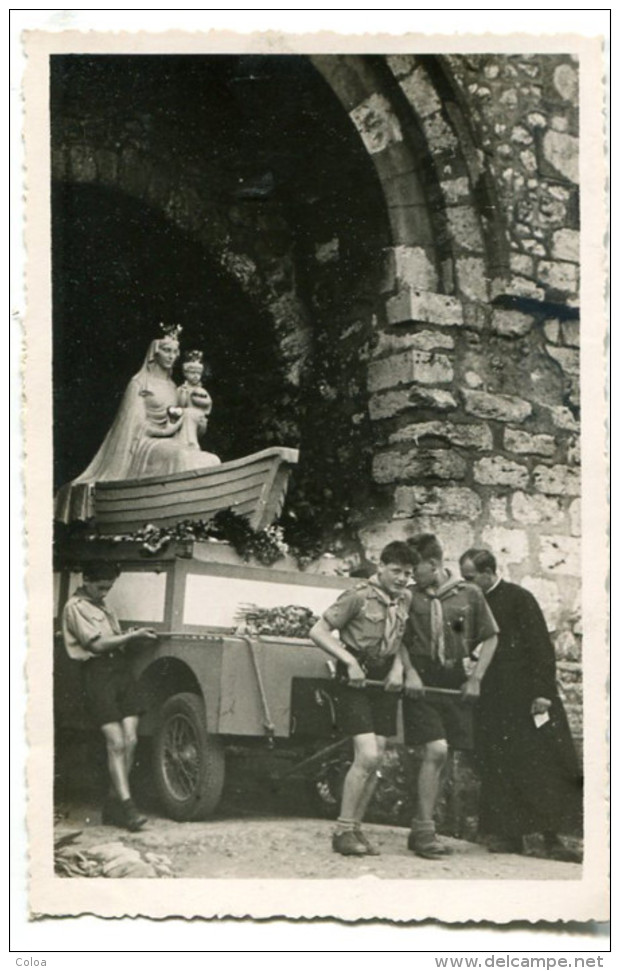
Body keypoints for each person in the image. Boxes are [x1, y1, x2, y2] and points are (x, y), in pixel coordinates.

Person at [459, 548, 583, 861]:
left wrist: (542, 693)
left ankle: (552, 838)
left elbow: (541, 646)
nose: (467, 584)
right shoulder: (471, 602)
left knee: (541, 765)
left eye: (471, 578)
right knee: (500, 763)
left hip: (527, 697)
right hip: (494, 698)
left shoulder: (519, 598)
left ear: (489, 572)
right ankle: (508, 835)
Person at [309, 541, 414, 856]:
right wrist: (350, 662)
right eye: (395, 571)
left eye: (407, 573)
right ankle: (342, 831)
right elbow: (318, 631)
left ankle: (356, 828)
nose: (401, 578)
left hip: (383, 681)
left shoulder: (405, 599)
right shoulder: (357, 596)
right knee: (366, 754)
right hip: (353, 680)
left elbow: (401, 639)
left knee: (378, 754)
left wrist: (398, 669)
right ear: (380, 566)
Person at [54, 327, 219, 523]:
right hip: (144, 444)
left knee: (211, 460)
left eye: (175, 352)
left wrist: (195, 416)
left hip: (173, 440)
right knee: (182, 457)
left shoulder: (175, 388)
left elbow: (190, 424)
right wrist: (167, 429)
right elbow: (133, 425)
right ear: (154, 352)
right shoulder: (139, 384)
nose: (172, 356)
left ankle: (198, 517)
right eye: (167, 350)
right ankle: (171, 515)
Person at [401, 533, 499, 859]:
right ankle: (425, 828)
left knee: (443, 756)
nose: (411, 575)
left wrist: (476, 679)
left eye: (415, 568)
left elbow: (491, 636)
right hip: (421, 679)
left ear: (433, 564)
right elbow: (398, 638)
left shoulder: (468, 594)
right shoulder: (409, 597)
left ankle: (423, 827)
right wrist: (410, 672)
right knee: (436, 749)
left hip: (454, 678)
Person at [61, 560, 159, 831]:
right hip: (97, 674)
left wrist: (131, 636)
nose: (105, 592)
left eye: (109, 588)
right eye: (101, 587)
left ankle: (114, 805)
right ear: (87, 580)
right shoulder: (75, 608)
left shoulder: (103, 607)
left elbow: (113, 640)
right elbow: (98, 644)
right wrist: (132, 637)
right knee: (115, 742)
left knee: (130, 739)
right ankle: (127, 808)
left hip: (120, 673)